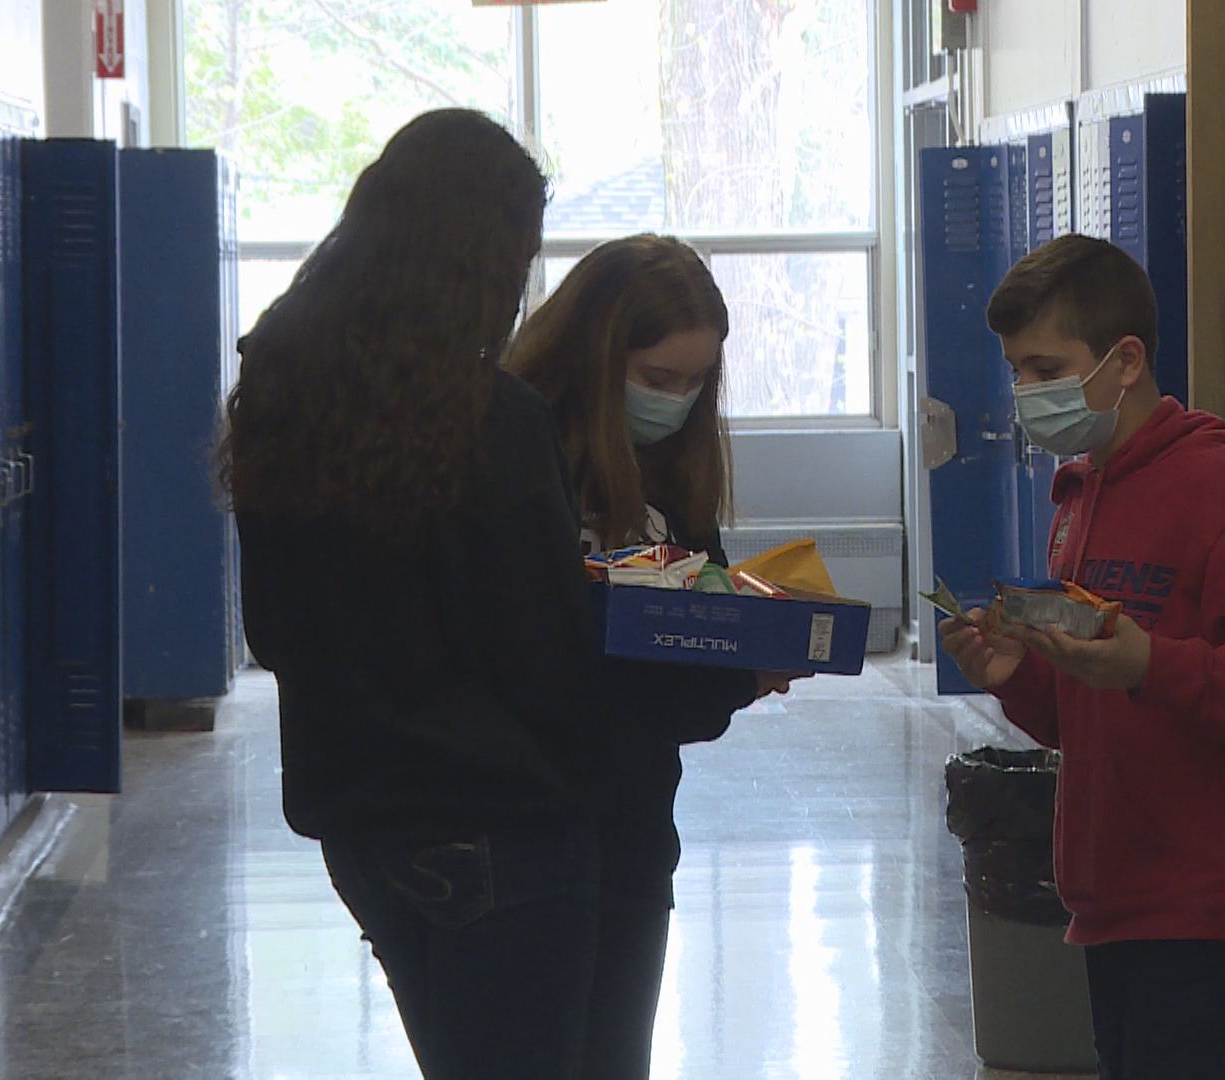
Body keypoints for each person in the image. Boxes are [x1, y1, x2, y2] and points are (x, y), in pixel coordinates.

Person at [222, 109, 612, 1079]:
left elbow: (271, 630)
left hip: (360, 827)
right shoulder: (498, 421)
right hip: (503, 831)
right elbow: (543, 659)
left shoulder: (278, 390)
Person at [940, 235, 1225, 1080]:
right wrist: (1017, 678)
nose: (1025, 394)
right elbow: (1090, 703)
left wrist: (1151, 664)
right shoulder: (1079, 498)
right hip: (1118, 892)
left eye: (1045, 368)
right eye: (1017, 372)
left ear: (1124, 361)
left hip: (1213, 900)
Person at [507, 234, 798, 1078]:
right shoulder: (519, 461)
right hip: (527, 832)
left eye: (694, 383)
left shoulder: (672, 468)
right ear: (598, 358)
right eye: (657, 379)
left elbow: (685, 642)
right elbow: (539, 668)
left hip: (632, 821)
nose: (676, 402)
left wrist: (745, 664)